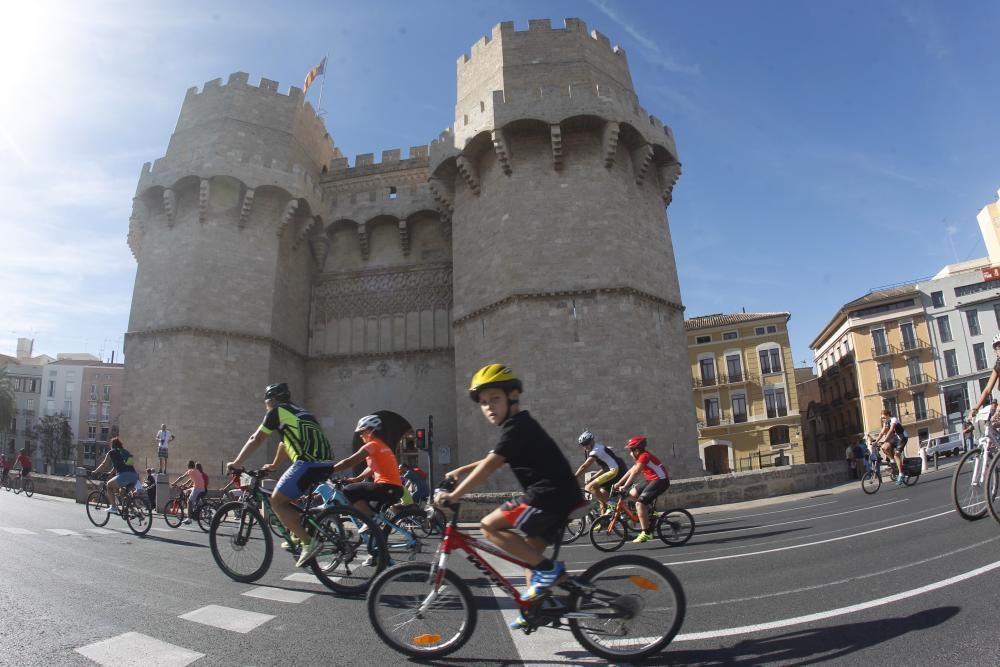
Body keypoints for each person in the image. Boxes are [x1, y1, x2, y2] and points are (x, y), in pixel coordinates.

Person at [435, 364, 583, 630]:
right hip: (558, 495)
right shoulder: (517, 428)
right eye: (483, 402)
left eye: (495, 399)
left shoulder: (517, 426)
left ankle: (549, 572)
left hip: (548, 495)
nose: (489, 407)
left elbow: (492, 464)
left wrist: (455, 495)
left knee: (489, 526)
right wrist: (459, 470)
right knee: (530, 557)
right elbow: (495, 458)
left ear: (513, 396)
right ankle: (535, 609)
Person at [227, 382, 334, 568]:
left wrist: (236, 463)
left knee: (276, 501)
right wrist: (275, 465)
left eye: (267, 401)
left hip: (308, 463)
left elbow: (257, 438)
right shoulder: (300, 412)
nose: (266, 405)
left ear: (272, 400)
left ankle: (309, 542)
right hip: (326, 463)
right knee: (289, 497)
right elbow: (285, 443)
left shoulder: (276, 412)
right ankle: (297, 533)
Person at [332, 415, 405, 518]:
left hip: (385, 487)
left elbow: (349, 462)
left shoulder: (372, 445)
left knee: (348, 490)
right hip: (396, 488)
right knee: (369, 504)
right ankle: (374, 527)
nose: (360, 435)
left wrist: (330, 469)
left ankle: (370, 521)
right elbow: (372, 468)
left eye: (362, 432)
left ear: (370, 431)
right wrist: (357, 479)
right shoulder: (382, 446)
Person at [612, 436, 670, 543]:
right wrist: (618, 483)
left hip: (661, 481)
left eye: (631, 450)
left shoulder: (644, 456)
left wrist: (624, 486)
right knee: (632, 493)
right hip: (651, 480)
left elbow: (635, 472)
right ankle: (649, 512)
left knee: (639, 504)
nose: (630, 453)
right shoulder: (640, 458)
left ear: (637, 450)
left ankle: (646, 533)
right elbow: (630, 471)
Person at [572, 430, 626, 514]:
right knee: (600, 495)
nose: (585, 446)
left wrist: (574, 477)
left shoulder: (596, 450)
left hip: (615, 470)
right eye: (583, 445)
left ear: (592, 441)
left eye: (586, 443)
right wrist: (593, 477)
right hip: (615, 470)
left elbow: (584, 466)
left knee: (591, 487)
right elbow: (604, 468)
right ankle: (604, 520)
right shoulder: (599, 448)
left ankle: (613, 505)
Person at [90, 437, 138, 515]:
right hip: (134, 476)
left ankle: (114, 507)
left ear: (112, 445)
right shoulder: (124, 451)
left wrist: (95, 471)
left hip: (124, 476)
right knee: (122, 492)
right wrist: (111, 472)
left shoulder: (111, 452)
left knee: (109, 485)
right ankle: (134, 512)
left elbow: (104, 464)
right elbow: (118, 465)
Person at [969, 334, 1000, 436]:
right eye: (998, 347)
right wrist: (975, 409)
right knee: (992, 425)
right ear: (995, 352)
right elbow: (987, 390)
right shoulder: (998, 366)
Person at [875, 409, 908, 487]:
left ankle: (901, 474)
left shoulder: (894, 419)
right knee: (884, 447)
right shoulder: (886, 422)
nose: (883, 419)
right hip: (895, 438)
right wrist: (875, 442)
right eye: (882, 418)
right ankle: (892, 461)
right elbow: (882, 432)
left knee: (897, 455)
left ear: (888, 415)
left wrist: (885, 440)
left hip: (902, 438)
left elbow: (890, 430)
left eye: (884, 417)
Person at [171, 460, 207, 524]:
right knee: (187, 491)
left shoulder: (190, 471)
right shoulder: (196, 471)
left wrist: (174, 483)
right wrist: (186, 486)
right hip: (202, 488)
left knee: (189, 501)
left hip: (198, 488)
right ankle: (195, 510)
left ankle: (189, 518)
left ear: (188, 465)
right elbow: (192, 480)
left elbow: (181, 477)